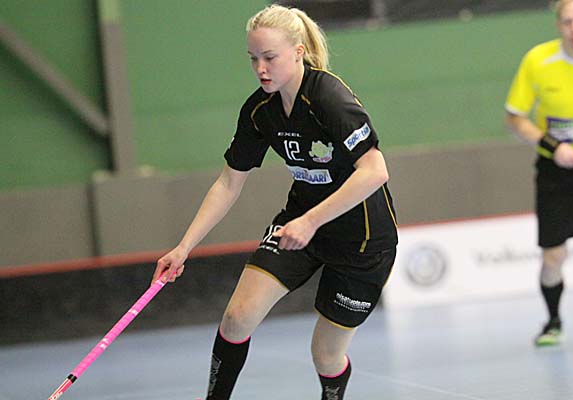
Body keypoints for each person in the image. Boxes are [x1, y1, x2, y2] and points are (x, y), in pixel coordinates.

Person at [152, 4, 398, 399]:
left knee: (325, 356)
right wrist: (184, 247)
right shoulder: (259, 111)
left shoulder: (329, 98)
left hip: (362, 241)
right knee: (236, 318)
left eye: (270, 57)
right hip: (298, 224)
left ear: (298, 52)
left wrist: (312, 221)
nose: (260, 68)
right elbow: (228, 182)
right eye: (253, 58)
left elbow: (375, 171)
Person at [504, 0, 573, 346]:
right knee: (553, 256)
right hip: (556, 167)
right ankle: (553, 321)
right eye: (569, 21)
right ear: (559, 25)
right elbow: (515, 118)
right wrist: (554, 146)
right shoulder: (538, 61)